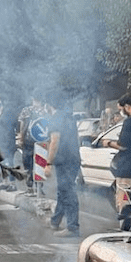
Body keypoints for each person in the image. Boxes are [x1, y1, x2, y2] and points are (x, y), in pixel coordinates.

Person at [44, 98, 81, 237]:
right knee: (63, 191)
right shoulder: (69, 117)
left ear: (49, 105)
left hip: (64, 161)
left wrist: (48, 163)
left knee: (68, 193)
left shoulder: (55, 119)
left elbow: (54, 141)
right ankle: (55, 221)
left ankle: (72, 228)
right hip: (73, 159)